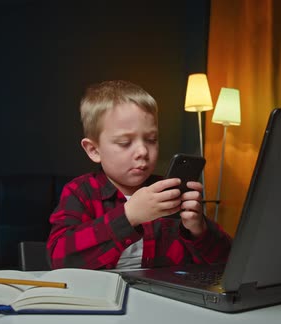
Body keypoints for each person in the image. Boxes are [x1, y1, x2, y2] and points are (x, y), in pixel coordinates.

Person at [47, 80, 232, 270]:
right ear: (94, 150)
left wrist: (198, 230)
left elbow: (228, 261)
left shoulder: (169, 192)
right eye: (125, 142)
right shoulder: (80, 192)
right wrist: (128, 216)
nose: (143, 151)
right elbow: (59, 259)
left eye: (151, 140)